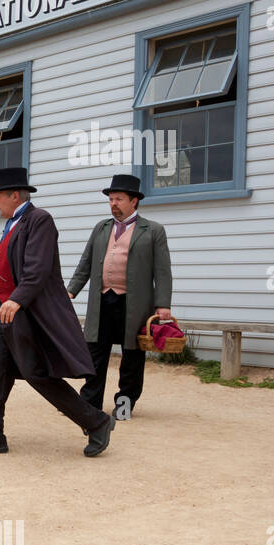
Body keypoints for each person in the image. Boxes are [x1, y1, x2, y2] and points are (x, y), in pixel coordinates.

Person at [0, 167, 116, 457]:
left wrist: (16, 300)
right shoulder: (13, 224)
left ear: (14, 195)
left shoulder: (39, 220)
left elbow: (38, 268)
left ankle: (96, 422)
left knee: (36, 374)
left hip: (24, 313)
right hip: (3, 315)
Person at [67, 174, 174, 418]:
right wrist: (71, 290)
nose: (113, 203)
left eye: (119, 199)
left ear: (134, 201)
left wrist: (162, 304)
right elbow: (85, 263)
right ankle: (89, 405)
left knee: (132, 359)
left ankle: (124, 407)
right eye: (111, 199)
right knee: (94, 354)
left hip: (134, 304)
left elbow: (163, 271)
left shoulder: (153, 230)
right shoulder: (101, 228)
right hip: (102, 300)